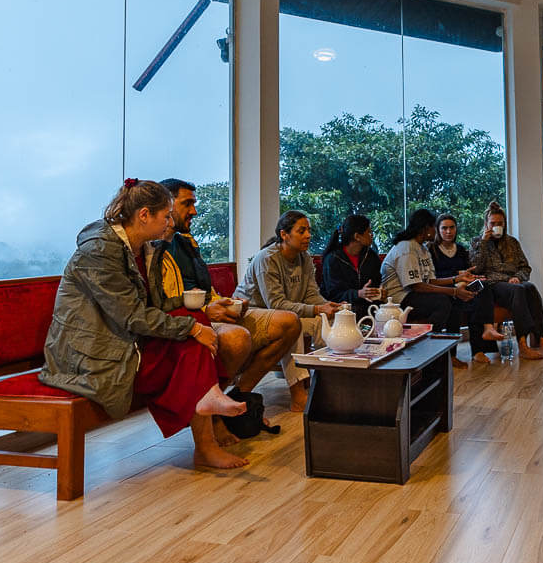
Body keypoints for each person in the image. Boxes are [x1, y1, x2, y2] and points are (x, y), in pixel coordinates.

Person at [40, 179, 250, 470]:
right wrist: (191, 328)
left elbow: (157, 306)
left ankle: (208, 415)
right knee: (191, 337)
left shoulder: (145, 248)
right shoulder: (100, 250)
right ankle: (207, 425)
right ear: (144, 215)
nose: (169, 223)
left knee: (195, 324)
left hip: (124, 342)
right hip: (89, 355)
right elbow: (132, 315)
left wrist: (197, 313)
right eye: (165, 216)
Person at [153, 179, 302, 424]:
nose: (195, 211)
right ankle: (214, 413)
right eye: (187, 204)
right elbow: (163, 302)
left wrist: (226, 303)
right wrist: (206, 310)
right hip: (187, 319)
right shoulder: (151, 250)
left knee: (289, 322)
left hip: (212, 310)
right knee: (236, 339)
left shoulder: (186, 243)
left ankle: (239, 395)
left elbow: (205, 288)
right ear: (165, 206)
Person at [236, 211, 340, 406]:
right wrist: (317, 309)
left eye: (308, 230)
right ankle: (297, 394)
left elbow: (311, 294)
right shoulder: (267, 259)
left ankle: (328, 380)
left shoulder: (305, 258)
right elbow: (275, 304)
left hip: (285, 314)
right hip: (252, 315)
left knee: (325, 321)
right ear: (284, 234)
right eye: (302, 231)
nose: (308, 235)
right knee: (293, 325)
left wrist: (327, 307)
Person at [381, 208, 504, 365]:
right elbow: (416, 286)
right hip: (400, 298)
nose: (437, 230)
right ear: (425, 228)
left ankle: (455, 354)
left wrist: (457, 279)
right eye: (435, 226)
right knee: (443, 302)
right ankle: (432, 353)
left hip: (416, 293)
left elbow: (430, 281)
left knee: (464, 297)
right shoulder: (406, 248)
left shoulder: (423, 249)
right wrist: (453, 291)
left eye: (451, 227)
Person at [467, 202, 543, 360]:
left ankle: (542, 339)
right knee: (519, 290)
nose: (497, 226)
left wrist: (518, 277)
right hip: (492, 285)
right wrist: (483, 242)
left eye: (500, 224)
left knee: (530, 288)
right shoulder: (476, 242)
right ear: (486, 224)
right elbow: (475, 268)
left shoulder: (512, 243)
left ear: (505, 224)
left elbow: (525, 267)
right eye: (493, 223)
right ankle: (522, 345)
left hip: (513, 283)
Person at [319, 214, 385, 318]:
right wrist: (358, 293)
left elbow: (377, 281)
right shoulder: (333, 259)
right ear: (357, 236)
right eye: (368, 232)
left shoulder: (371, 256)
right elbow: (332, 295)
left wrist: (379, 292)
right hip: (341, 308)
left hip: (368, 306)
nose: (371, 235)